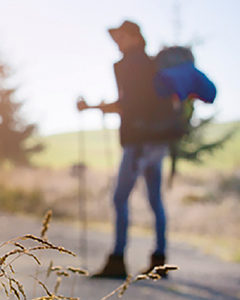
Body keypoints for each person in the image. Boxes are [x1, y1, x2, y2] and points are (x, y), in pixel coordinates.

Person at [77, 20, 173, 279]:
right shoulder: (152, 64)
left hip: (138, 142)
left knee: (120, 198)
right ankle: (160, 261)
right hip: (158, 143)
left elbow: (129, 104)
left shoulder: (130, 65)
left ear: (133, 36)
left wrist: (93, 108)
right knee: (155, 201)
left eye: (120, 36)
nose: (116, 41)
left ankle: (118, 260)